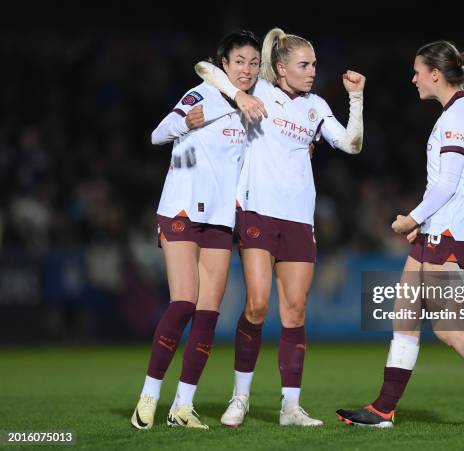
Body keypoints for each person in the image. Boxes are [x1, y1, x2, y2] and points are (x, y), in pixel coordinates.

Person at [336, 40, 464, 430]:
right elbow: (448, 184)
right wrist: (423, 224)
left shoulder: (458, 118)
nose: (413, 79)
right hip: (437, 231)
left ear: (436, 74)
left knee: (449, 328)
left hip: (449, 232)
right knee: (404, 317)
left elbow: (447, 185)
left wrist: (412, 218)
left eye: (417, 71)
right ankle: (383, 410)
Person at [194, 27, 365, 427]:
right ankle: (241, 397)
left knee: (296, 311)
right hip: (257, 212)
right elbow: (204, 68)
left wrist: (355, 98)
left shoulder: (317, 106)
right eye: (304, 65)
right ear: (281, 67)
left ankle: (291, 407)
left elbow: (352, 144)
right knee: (256, 304)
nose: (311, 72)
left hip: (299, 219)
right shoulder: (260, 92)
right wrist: (239, 96)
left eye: (314, 65)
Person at [130, 30, 261, 430]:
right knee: (184, 302)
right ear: (224, 64)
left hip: (221, 220)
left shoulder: (252, 108)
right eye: (239, 60)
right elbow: (156, 134)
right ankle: (148, 398)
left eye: (254, 62)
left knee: (207, 315)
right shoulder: (201, 94)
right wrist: (185, 123)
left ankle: (182, 406)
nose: (247, 69)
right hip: (182, 210)